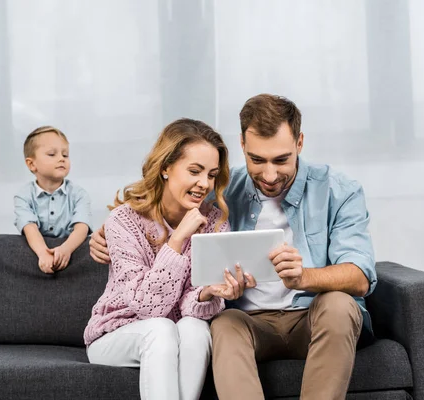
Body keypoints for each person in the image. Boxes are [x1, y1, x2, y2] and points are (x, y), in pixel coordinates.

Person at [89, 94, 377, 399]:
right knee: (223, 325)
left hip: (312, 315)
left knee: (339, 305)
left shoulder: (339, 191)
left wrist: (303, 277)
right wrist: (106, 232)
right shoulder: (222, 193)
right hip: (249, 321)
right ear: (242, 145)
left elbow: (360, 277)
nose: (269, 175)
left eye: (281, 160)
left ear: (300, 143)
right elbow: (163, 204)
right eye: (257, 160)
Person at [84, 118, 251, 400]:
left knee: (195, 329)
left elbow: (189, 306)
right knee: (161, 329)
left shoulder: (214, 222)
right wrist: (177, 240)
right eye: (194, 171)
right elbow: (150, 308)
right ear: (165, 168)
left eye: (211, 175)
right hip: (115, 333)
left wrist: (208, 293)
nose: (204, 184)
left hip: (174, 332)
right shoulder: (123, 221)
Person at [14, 126, 91, 274]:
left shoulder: (79, 194)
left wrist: (66, 250)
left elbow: (82, 227)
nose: (61, 158)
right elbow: (30, 228)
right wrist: (43, 253)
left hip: (72, 251)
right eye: (51, 154)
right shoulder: (23, 196)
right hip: (37, 254)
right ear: (32, 164)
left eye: (65, 155)